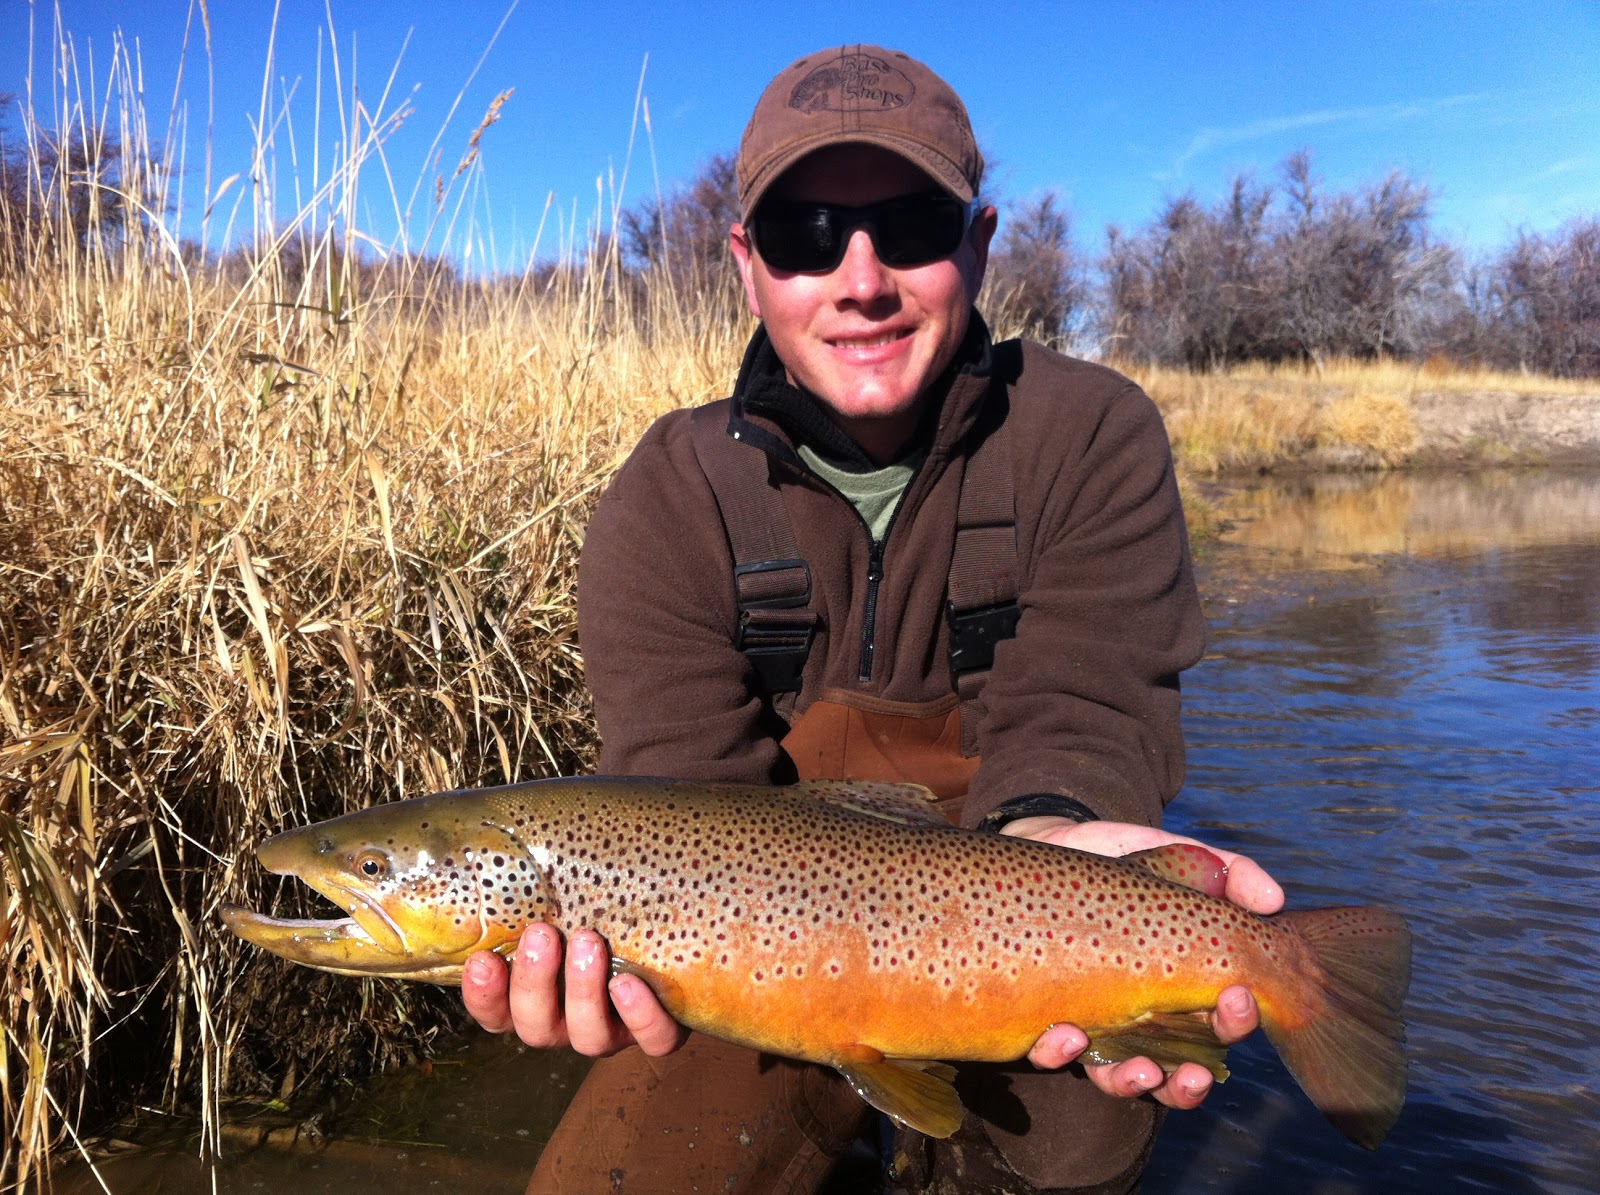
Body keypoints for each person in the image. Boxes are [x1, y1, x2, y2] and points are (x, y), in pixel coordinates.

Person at [463, 44, 1284, 1195]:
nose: (860, 278)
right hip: (758, 924)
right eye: (806, 234)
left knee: (1077, 1133)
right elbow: (681, 801)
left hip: (1016, 884)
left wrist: (1058, 831)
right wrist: (618, 970)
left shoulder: (1088, 435)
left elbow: (1087, 715)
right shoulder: (672, 490)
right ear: (748, 265)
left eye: (907, 225)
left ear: (977, 245)